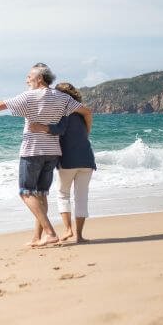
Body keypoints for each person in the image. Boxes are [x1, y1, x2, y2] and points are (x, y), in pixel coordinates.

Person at [0, 63, 92, 247]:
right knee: (41, 194)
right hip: (53, 153)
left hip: (32, 151)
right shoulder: (62, 98)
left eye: (29, 76)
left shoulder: (30, 96)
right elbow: (86, 111)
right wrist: (86, 133)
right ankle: (37, 237)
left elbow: (2, 104)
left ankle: (50, 233)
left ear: (40, 78)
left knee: (25, 192)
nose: (26, 80)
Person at [29, 82, 96, 243]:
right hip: (87, 159)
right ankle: (79, 236)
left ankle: (68, 230)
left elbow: (59, 130)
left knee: (63, 194)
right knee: (81, 197)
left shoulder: (63, 111)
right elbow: (85, 128)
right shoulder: (81, 113)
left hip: (68, 161)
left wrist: (40, 127)